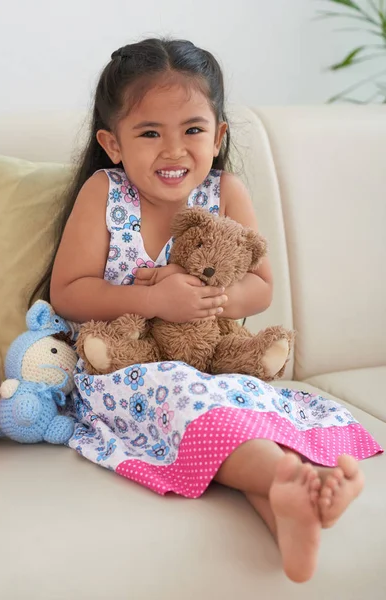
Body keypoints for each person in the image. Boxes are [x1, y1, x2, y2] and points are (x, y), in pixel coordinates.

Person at [33, 38, 381, 583]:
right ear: (113, 143)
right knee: (196, 403)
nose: (174, 151)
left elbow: (261, 287)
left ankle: (290, 513)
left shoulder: (226, 193)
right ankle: (288, 484)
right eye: (150, 133)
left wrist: (213, 301)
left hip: (213, 365)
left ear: (218, 136)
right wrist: (152, 299)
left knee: (235, 409)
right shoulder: (106, 192)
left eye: (193, 130)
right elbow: (69, 292)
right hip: (128, 373)